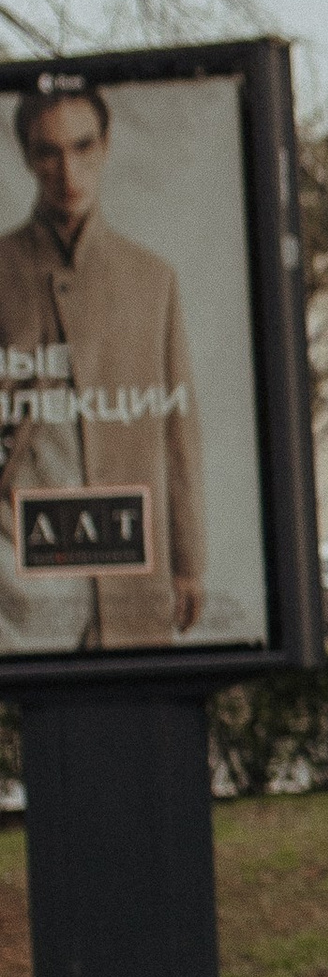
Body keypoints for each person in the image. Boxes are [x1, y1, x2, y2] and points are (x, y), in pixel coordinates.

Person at [0, 81, 206, 653]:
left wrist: (188, 562)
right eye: (48, 152)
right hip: (18, 576)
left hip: (127, 572)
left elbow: (177, 431)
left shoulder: (150, 279)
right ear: (27, 157)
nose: (68, 171)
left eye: (83, 147)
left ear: (106, 146)